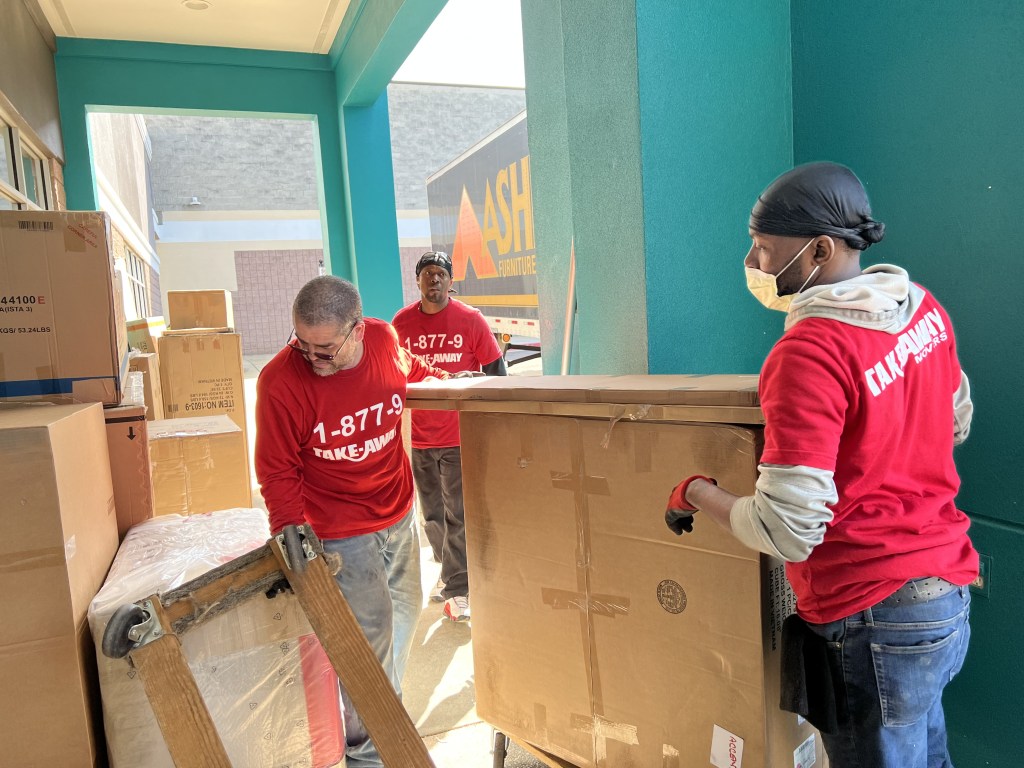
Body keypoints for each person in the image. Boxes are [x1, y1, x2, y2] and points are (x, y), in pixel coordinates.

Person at [664, 162, 978, 768]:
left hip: (872, 614)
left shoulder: (810, 351)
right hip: (943, 599)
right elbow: (956, 422)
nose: (753, 263)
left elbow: (786, 530)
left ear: (820, 251)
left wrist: (696, 490)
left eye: (763, 248)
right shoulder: (922, 311)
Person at [255, 275, 451, 768]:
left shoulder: (384, 340)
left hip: (397, 510)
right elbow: (277, 468)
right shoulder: (280, 382)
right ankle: (368, 755)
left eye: (325, 348)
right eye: (302, 344)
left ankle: (386, 715)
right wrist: (288, 526)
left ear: (358, 329)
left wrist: (451, 383)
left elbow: (412, 369)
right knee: (369, 642)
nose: (312, 358)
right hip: (340, 531)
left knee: (405, 612)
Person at [392, 251, 506, 622]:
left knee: (458, 513)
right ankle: (451, 571)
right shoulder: (401, 323)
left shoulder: (470, 319)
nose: (434, 279)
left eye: (441, 274)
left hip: (459, 435)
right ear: (418, 280)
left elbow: (496, 373)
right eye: (428, 273)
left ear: (450, 281)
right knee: (432, 516)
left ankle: (459, 590)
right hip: (420, 437)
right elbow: (393, 371)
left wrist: (491, 422)